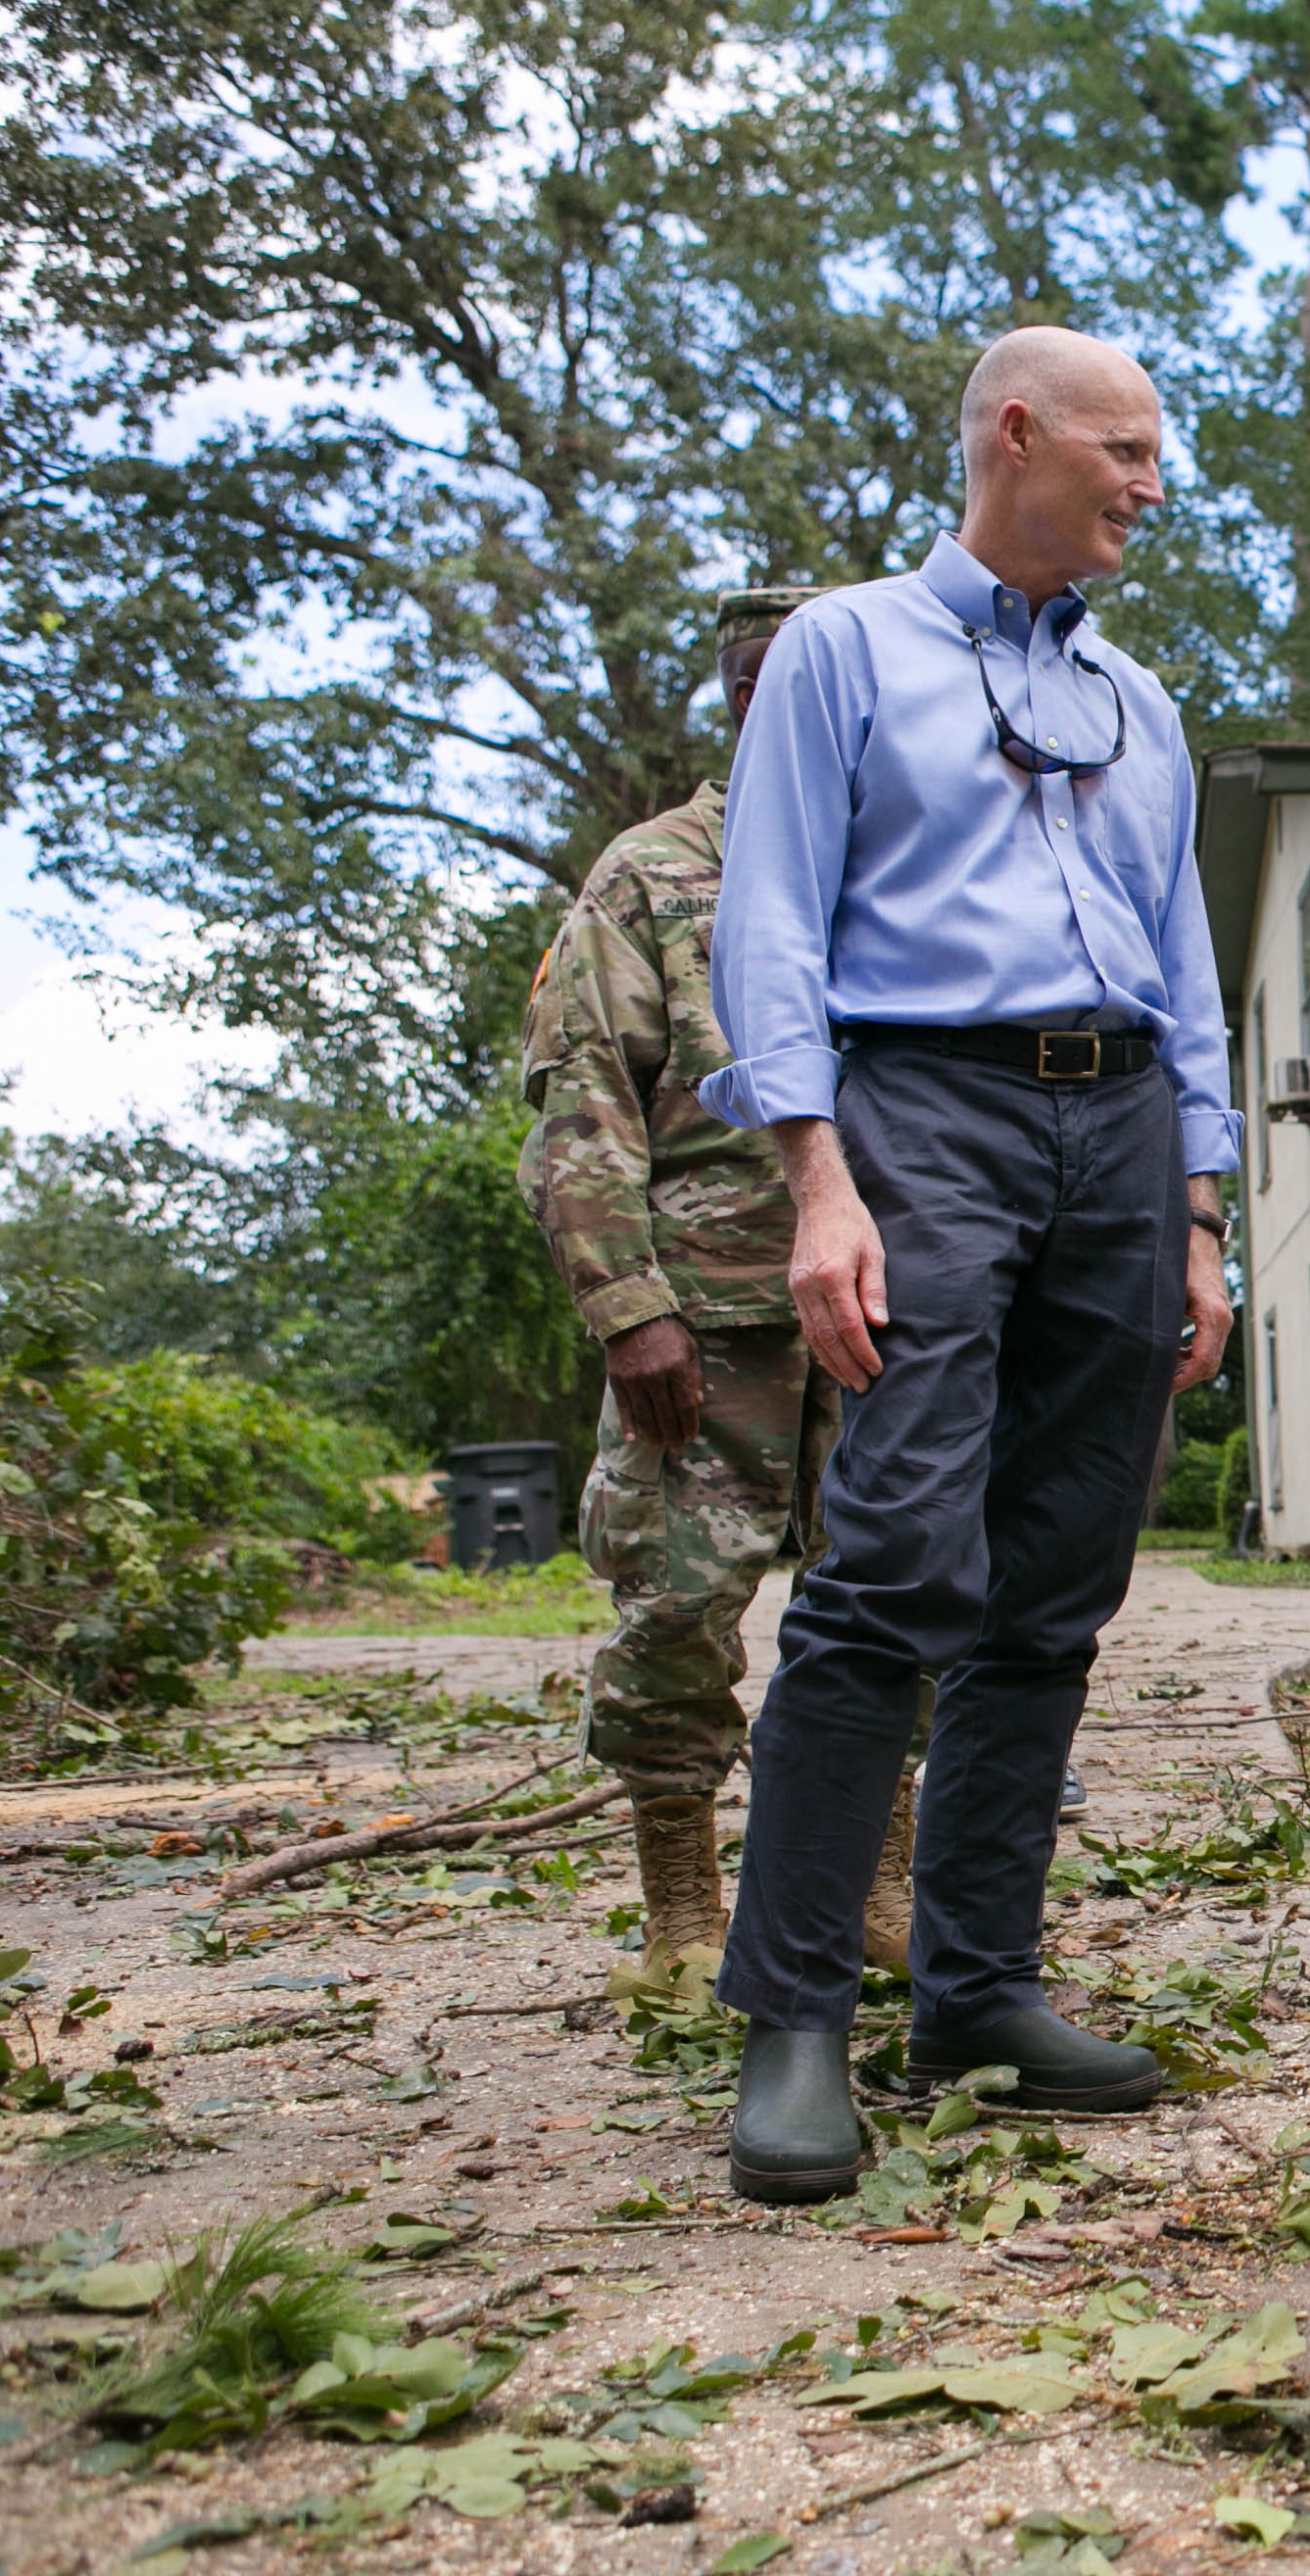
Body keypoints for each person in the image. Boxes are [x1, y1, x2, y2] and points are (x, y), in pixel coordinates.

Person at [699, 325, 1239, 2205]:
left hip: (1117, 1124)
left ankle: (977, 1987)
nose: (1151, 481)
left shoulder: (1146, 707)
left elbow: (1186, 962)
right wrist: (817, 1183)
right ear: (1018, 435)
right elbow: (767, 924)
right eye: (1128, 447)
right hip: (921, 1111)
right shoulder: (847, 651)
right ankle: (792, 2020)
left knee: (1061, 1569)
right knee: (897, 1556)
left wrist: (1195, 1204)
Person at [520, 587, 935, 1975]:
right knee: (679, 1610)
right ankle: (683, 1904)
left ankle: (877, 1884)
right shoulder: (651, 874)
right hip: (712, 1319)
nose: (797, 704)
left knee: (891, 1594)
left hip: (888, 1314)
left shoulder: (902, 861)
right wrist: (628, 1309)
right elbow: (581, 1105)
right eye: (773, 679)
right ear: (742, 696)